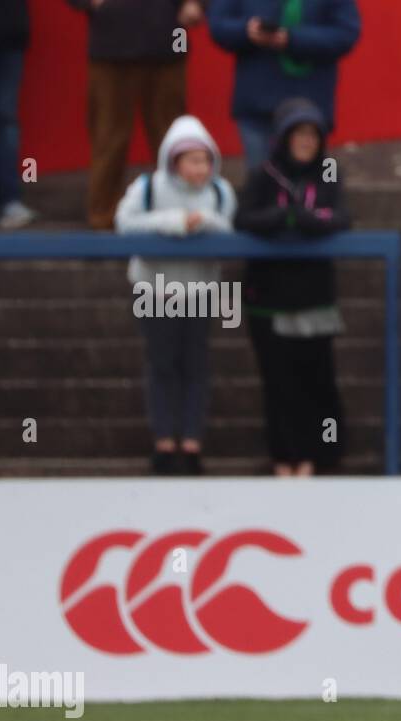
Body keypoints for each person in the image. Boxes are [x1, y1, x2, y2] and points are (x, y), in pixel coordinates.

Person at [114, 115, 236, 476]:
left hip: (202, 290)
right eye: (192, 161)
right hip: (155, 289)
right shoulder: (148, 187)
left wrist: (205, 223)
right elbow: (125, 223)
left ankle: (193, 441)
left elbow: (229, 229)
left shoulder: (221, 191)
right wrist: (175, 223)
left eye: (205, 160)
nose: (200, 169)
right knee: (162, 363)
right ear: (174, 160)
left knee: (196, 366)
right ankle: (164, 440)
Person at [235, 97, 350, 476]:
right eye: (298, 133)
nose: (306, 141)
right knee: (278, 382)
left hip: (314, 298)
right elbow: (245, 218)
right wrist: (285, 216)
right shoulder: (263, 175)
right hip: (269, 300)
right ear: (284, 137)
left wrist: (306, 220)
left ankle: (320, 459)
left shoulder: (329, 171)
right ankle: (284, 458)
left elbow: (339, 217)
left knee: (317, 378)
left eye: (312, 133)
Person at [66, 0, 205, 230]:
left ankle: (182, 215)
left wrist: (196, 3)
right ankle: (103, 220)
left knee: (173, 139)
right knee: (108, 140)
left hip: (170, 42)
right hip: (111, 47)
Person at [206, 0, 361, 172]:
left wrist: (293, 38)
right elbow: (218, 25)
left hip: (309, 105)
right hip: (256, 104)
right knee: (261, 182)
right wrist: (246, 31)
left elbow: (346, 33)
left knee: (307, 185)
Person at [0, 0, 34, 229]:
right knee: (5, 119)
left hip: (7, 30)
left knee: (5, 118)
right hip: (8, 30)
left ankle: (8, 200)